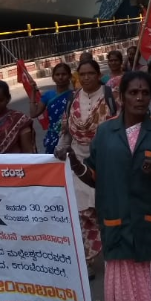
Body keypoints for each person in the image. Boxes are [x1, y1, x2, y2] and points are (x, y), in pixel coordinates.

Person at [59, 71, 151, 301]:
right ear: (122, 97)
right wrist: (75, 163)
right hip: (120, 231)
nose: (139, 98)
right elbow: (94, 177)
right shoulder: (106, 133)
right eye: (133, 92)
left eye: (144, 93)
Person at [55, 59, 118, 280]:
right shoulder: (73, 98)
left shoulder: (111, 96)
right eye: (82, 74)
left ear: (98, 74)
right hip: (76, 160)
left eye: (90, 73)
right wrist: (61, 149)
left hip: (107, 162)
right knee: (82, 214)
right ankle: (88, 260)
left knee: (105, 211)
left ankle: (114, 257)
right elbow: (66, 131)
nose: (86, 77)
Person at [29, 63, 74, 153]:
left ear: (69, 76)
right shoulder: (48, 95)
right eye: (57, 75)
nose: (60, 77)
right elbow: (34, 113)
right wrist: (33, 93)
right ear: (53, 77)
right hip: (53, 136)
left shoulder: (75, 95)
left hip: (71, 136)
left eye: (64, 74)